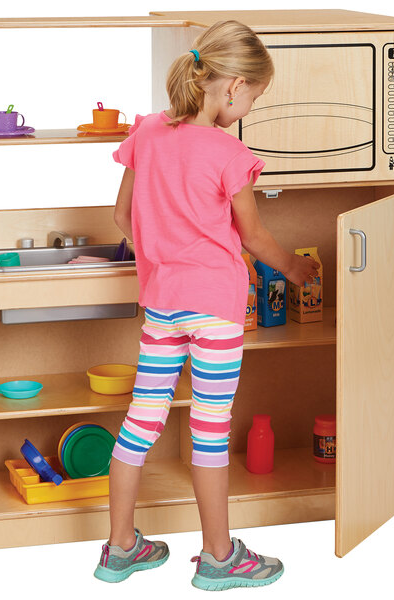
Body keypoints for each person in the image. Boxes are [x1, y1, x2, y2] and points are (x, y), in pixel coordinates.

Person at [93, 19, 319, 591]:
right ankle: (220, 557)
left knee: (140, 422)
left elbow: (123, 218)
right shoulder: (229, 151)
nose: (246, 110)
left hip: (162, 304)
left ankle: (120, 547)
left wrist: (164, 250)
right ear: (233, 86)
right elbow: (254, 238)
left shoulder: (146, 132)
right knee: (209, 430)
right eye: (253, 99)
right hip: (215, 308)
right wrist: (295, 268)